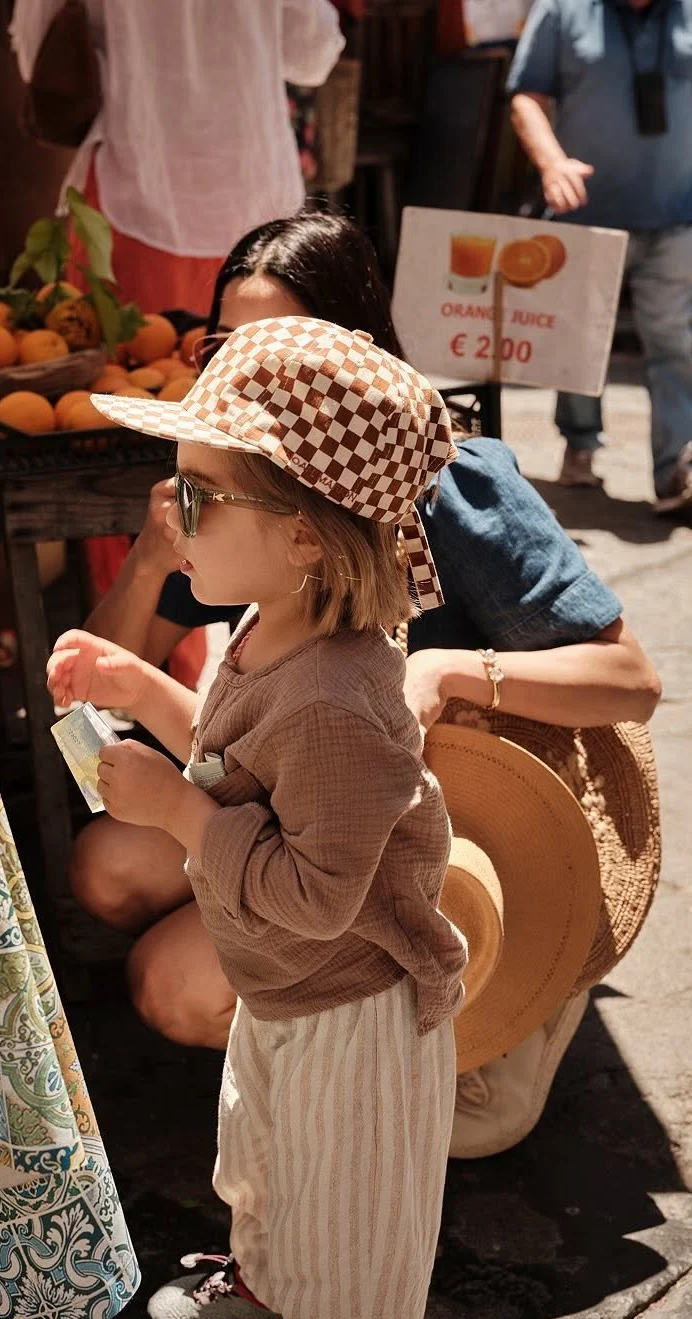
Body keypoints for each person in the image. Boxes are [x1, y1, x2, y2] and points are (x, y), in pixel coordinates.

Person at [75, 209, 661, 1155]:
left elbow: (632, 679)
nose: (243, 372)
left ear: (353, 353)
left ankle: (444, 1031)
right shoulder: (233, 488)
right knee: (111, 872)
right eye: (225, 342)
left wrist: (456, 669)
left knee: (472, 1120)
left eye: (276, 342)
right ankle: (332, 1050)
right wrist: (152, 558)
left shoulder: (451, 487)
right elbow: (118, 690)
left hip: (459, 823)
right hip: (303, 808)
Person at [48, 317, 469, 1319]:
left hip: (350, 1016)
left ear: (302, 534)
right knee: (272, 1183)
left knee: (347, 1248)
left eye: (197, 496)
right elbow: (244, 767)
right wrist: (139, 685)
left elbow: (317, 896)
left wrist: (179, 810)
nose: (173, 516)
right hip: (287, 996)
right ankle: (271, 1283)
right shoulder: (272, 626)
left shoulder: (333, 694)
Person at [9, 0, 344, 314]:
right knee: (258, 372)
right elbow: (313, 54)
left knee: (132, 369)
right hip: (254, 195)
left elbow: (34, 50)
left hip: (136, 185)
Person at [507, 0, 692, 511]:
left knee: (675, 340)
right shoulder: (562, 10)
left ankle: (677, 469)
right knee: (579, 344)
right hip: (585, 216)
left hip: (678, 212)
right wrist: (551, 163)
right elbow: (526, 97)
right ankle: (580, 443)